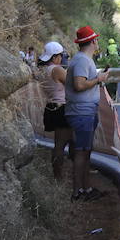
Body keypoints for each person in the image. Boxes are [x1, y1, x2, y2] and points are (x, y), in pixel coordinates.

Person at [64, 26, 110, 201]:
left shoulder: (82, 59)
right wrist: (99, 79)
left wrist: (98, 79)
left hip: (84, 111)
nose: (97, 42)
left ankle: (85, 189)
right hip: (81, 112)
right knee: (81, 152)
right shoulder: (83, 61)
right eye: (96, 39)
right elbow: (79, 85)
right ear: (92, 41)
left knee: (85, 151)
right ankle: (78, 192)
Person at [36, 41, 73, 180]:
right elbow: (72, 84)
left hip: (51, 107)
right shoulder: (56, 70)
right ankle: (58, 177)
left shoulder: (43, 70)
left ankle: (63, 175)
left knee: (63, 142)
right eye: (61, 55)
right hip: (61, 107)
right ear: (55, 57)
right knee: (60, 145)